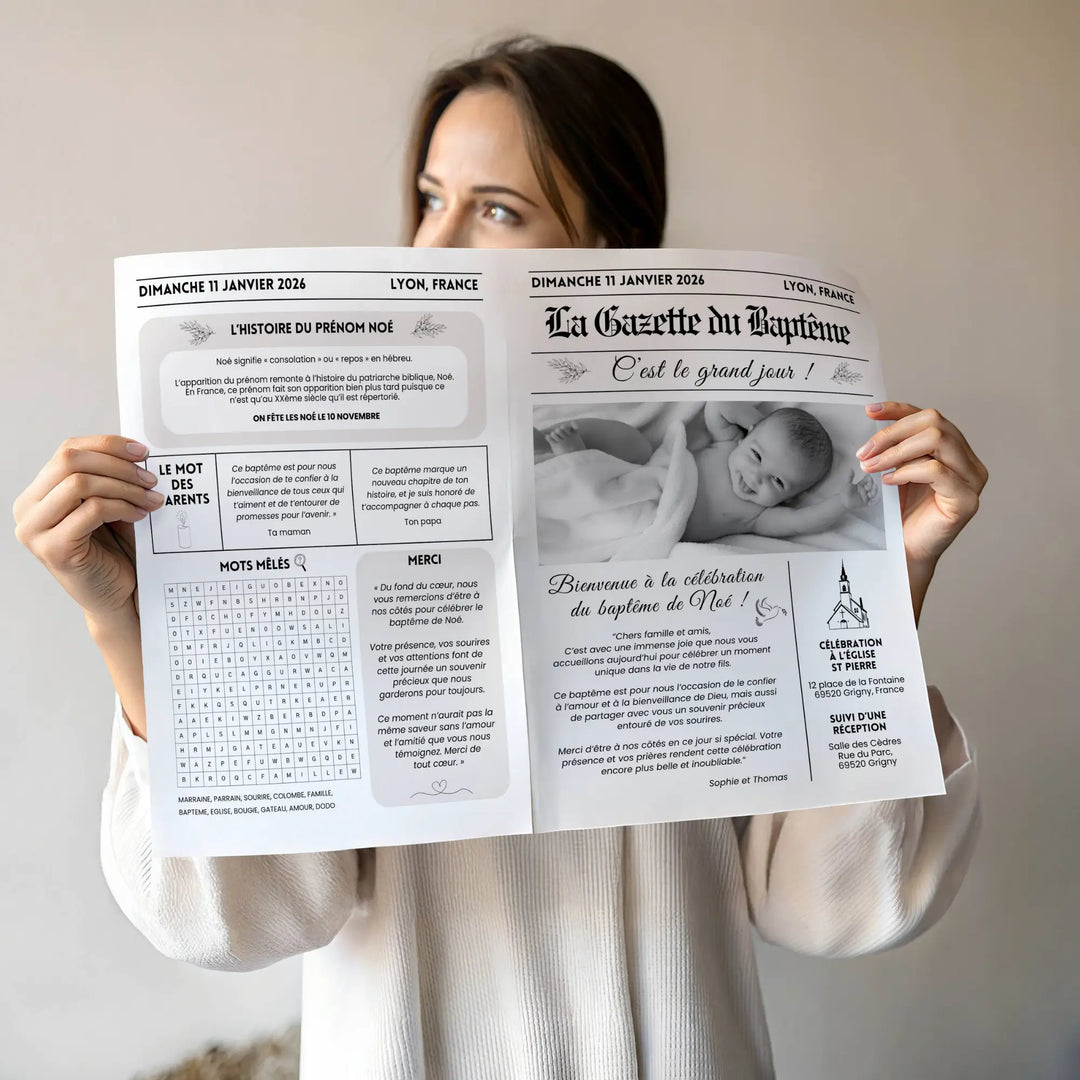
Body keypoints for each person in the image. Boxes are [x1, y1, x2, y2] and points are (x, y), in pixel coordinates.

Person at [12, 37, 987, 1080]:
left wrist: (894, 581)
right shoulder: (324, 485)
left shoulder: (701, 475)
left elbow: (832, 905)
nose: (431, 247)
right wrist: (122, 623)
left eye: (498, 210)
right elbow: (241, 919)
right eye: (431, 198)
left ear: (607, 248)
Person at [539, 403, 878, 544]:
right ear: (748, 435)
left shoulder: (759, 515)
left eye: (777, 481)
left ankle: (574, 463)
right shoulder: (729, 443)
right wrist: (755, 423)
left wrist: (841, 504)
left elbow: (803, 523)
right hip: (656, 471)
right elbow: (718, 404)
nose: (756, 477)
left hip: (657, 516)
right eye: (757, 455)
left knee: (619, 515)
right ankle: (559, 450)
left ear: (793, 497)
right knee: (628, 440)